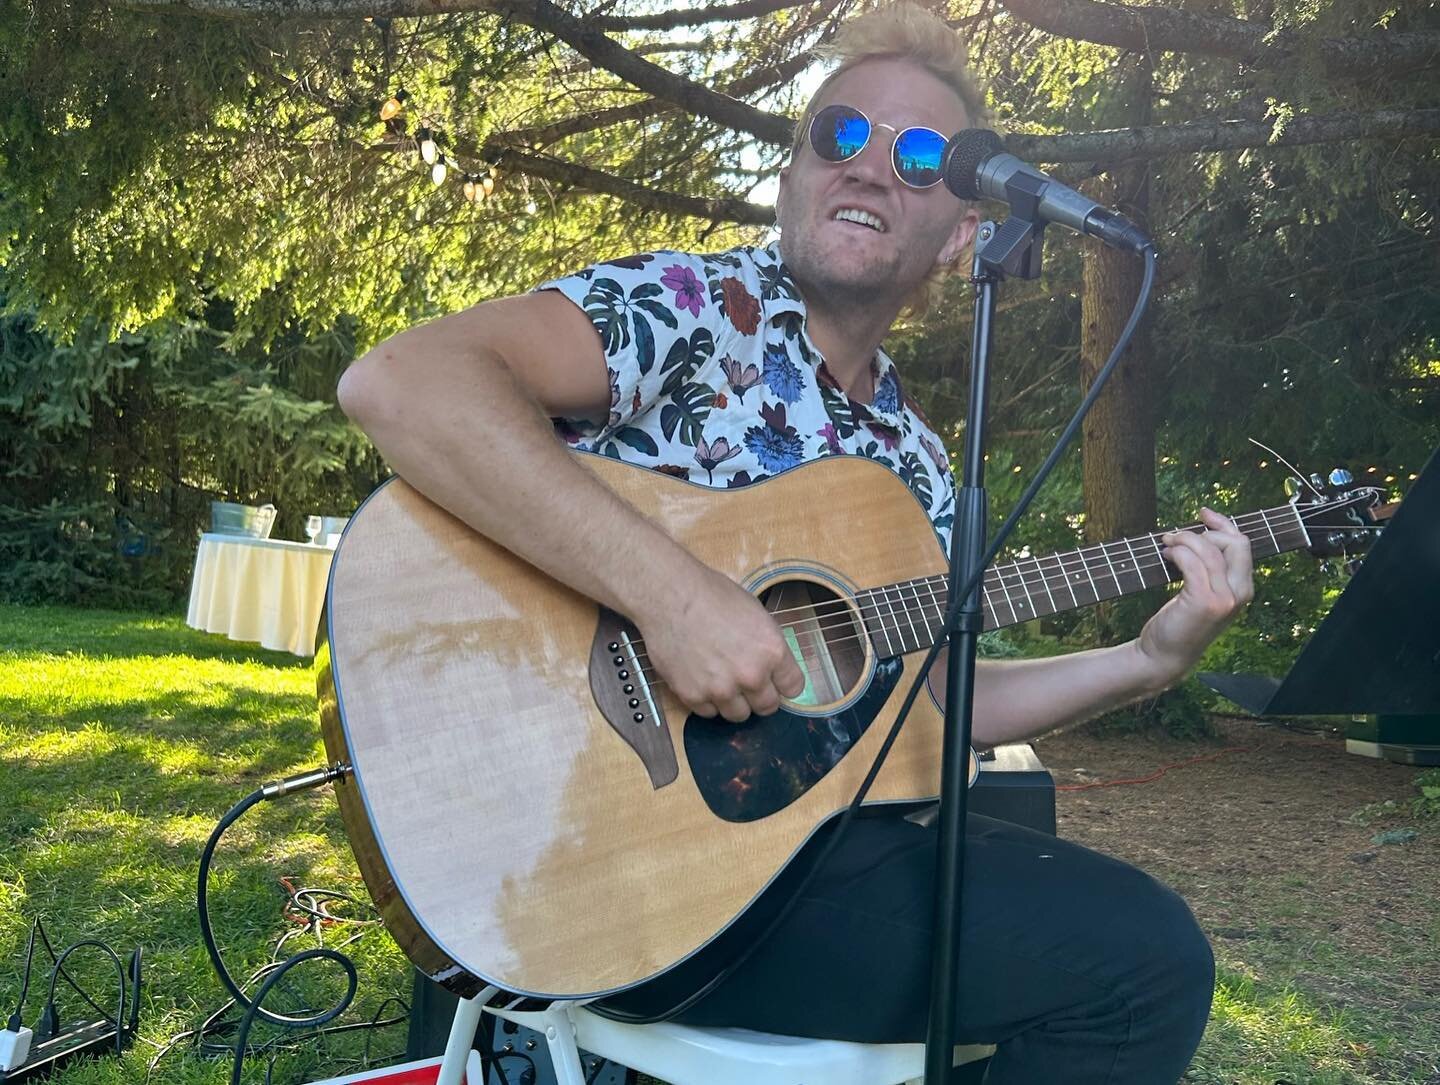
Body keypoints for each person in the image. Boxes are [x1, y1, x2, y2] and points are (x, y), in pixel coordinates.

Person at [337, 5, 1253, 1080]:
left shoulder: (913, 462)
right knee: (1136, 969)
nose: (869, 166)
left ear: (965, 232)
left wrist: (1148, 660)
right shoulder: (692, 309)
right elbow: (399, 382)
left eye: (921, 157)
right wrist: (672, 598)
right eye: (839, 135)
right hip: (606, 861)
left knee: (1145, 953)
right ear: (794, 173)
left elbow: (941, 698)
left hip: (795, 855)